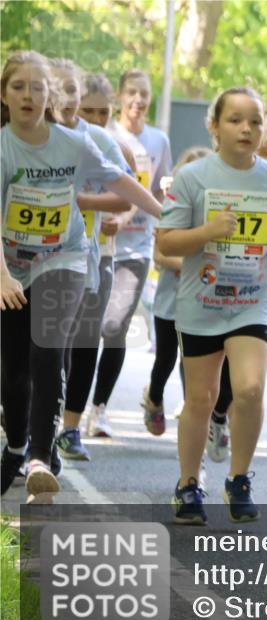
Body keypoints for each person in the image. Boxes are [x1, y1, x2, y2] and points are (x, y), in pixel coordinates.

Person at [0, 51, 161, 500]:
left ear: (49, 96)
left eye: (37, 87)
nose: (29, 96)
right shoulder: (2, 148)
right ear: (3, 96)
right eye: (19, 87)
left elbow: (118, 179)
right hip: (10, 265)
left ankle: (39, 458)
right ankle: (15, 444)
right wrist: (2, 276)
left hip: (63, 257)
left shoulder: (72, 143)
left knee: (47, 349)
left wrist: (164, 214)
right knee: (11, 372)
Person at [157, 85, 267, 524]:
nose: (247, 128)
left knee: (251, 388)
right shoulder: (193, 177)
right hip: (202, 300)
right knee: (200, 398)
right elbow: (166, 240)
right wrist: (209, 231)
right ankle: (188, 484)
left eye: (255, 121)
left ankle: (239, 479)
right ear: (214, 126)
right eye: (236, 119)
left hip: (253, 302)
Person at [49, 61, 134, 463]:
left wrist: (82, 202)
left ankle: (69, 427)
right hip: (37, 257)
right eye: (87, 111)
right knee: (48, 344)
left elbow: (126, 193)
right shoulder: (33, 138)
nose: (92, 117)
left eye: (102, 111)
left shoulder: (100, 141)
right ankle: (37, 422)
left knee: (85, 341)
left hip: (93, 256)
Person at [85, 69, 173, 438]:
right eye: (132, 93)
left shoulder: (158, 140)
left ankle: (98, 408)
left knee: (114, 325)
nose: (138, 101)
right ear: (120, 98)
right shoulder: (104, 133)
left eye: (145, 94)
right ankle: (67, 404)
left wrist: (125, 218)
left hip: (135, 247)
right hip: (92, 244)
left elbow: (155, 190)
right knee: (82, 330)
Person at [142, 146, 212, 436]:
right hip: (171, 301)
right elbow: (160, 256)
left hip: (202, 301)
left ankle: (190, 408)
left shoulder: (214, 216)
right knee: (166, 358)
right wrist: (189, 264)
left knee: (191, 359)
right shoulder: (171, 210)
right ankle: (154, 397)